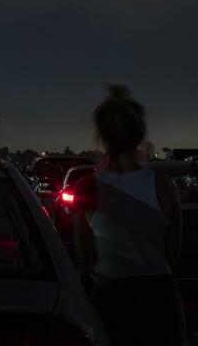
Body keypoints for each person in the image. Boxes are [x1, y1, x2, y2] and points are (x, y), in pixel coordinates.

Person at [72, 85, 184, 346]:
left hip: (110, 299)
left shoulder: (87, 188)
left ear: (103, 136)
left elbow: (85, 256)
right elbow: (173, 252)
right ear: (139, 135)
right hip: (160, 299)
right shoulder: (164, 187)